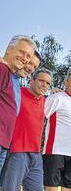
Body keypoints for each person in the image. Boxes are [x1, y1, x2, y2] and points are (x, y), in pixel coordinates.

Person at [0, 68, 51, 191]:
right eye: (41, 81)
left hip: (36, 154)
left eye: (48, 83)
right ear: (32, 80)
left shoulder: (45, 101)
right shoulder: (18, 94)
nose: (44, 85)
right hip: (17, 151)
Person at [0, 35, 35, 176]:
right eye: (21, 52)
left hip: (3, 143)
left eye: (28, 56)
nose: (25, 58)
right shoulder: (2, 69)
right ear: (9, 50)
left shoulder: (10, 75)